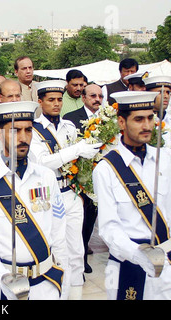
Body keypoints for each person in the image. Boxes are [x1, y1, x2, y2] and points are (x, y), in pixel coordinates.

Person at [0, 101, 68, 300]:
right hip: (4, 285)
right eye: (15, 131)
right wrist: (3, 276)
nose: (23, 138)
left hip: (45, 283)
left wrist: (63, 278)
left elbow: (58, 231)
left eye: (28, 130)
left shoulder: (46, 176)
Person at [93, 90, 171, 300]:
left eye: (150, 117)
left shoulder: (165, 160)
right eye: (138, 119)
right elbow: (109, 228)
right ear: (121, 122)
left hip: (166, 262)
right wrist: (139, 255)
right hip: (128, 263)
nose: (147, 126)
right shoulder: (107, 169)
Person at [30, 80, 102, 299]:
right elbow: (42, 162)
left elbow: (80, 160)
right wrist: (75, 151)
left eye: (60, 99)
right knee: (56, 248)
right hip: (47, 196)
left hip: (71, 192)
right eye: (51, 100)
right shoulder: (34, 130)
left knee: (76, 249)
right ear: (40, 101)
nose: (56, 104)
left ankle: (75, 293)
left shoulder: (69, 126)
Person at [63, 83, 104, 274]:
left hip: (99, 176)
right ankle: (76, 258)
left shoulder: (108, 118)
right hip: (78, 176)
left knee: (91, 220)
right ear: (84, 98)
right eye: (93, 96)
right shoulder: (71, 119)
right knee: (79, 220)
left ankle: (84, 252)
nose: (97, 99)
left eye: (100, 96)